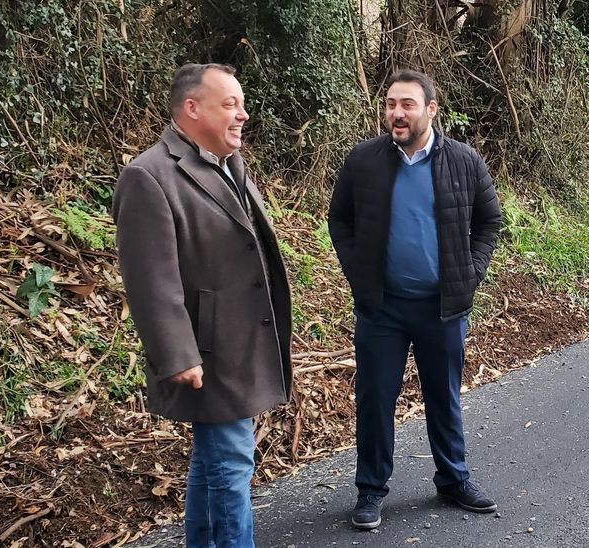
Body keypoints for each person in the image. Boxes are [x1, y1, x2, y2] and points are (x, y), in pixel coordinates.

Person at [112, 63, 293, 547]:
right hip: (207, 352)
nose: (243, 114)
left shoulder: (228, 163)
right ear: (192, 109)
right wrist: (177, 353)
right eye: (230, 104)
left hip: (243, 343)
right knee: (231, 461)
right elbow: (150, 279)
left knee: (214, 461)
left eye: (241, 103)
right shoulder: (148, 176)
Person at [328, 69, 504, 530]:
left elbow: (489, 222)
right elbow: (339, 219)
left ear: (431, 109)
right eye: (390, 104)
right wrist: (358, 273)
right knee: (374, 398)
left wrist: (469, 275)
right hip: (381, 308)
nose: (396, 113)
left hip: (442, 307)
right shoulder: (364, 161)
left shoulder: (464, 161)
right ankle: (370, 491)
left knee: (443, 397)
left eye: (406, 104)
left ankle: (452, 479)